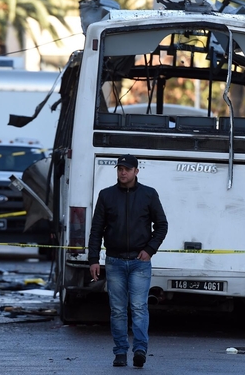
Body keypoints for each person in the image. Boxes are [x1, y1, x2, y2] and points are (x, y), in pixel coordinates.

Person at [88, 154, 168, 368]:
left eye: (127, 169)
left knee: (139, 307)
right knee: (117, 309)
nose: (123, 172)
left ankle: (140, 350)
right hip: (114, 261)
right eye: (120, 168)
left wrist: (150, 249)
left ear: (136, 171)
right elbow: (96, 230)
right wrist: (93, 259)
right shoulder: (106, 196)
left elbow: (161, 225)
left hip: (139, 263)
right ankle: (120, 352)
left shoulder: (149, 195)